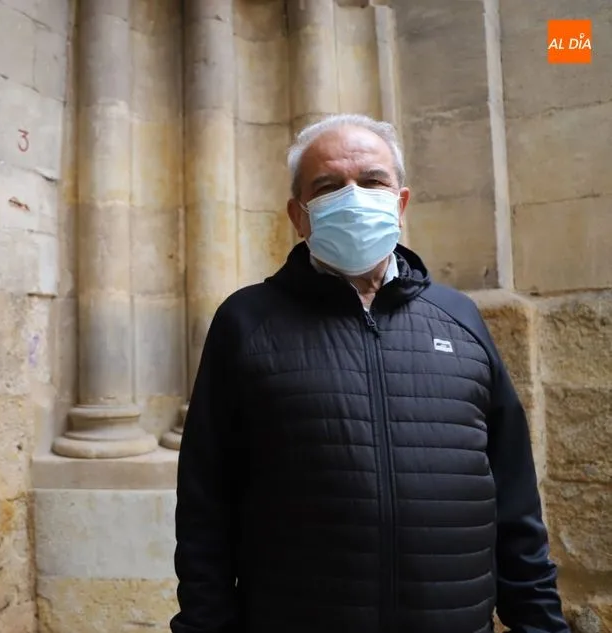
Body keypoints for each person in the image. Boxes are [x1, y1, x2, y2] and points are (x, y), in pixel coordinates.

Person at [170, 113, 569, 633]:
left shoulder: (460, 319)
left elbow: (515, 503)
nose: (354, 196)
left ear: (400, 202)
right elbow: (205, 509)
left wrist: (541, 623)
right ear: (300, 214)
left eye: (373, 181)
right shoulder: (248, 323)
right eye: (329, 186)